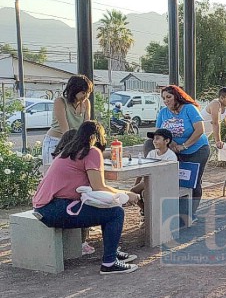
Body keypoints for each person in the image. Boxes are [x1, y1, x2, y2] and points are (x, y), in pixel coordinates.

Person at [33, 121, 140, 274]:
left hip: (45, 208)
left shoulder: (67, 152)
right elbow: (99, 187)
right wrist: (126, 194)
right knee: (116, 213)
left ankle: (113, 252)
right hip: (57, 208)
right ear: (96, 137)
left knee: (107, 208)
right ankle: (109, 263)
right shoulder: (91, 152)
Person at [157, 85, 209, 218]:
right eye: (163, 98)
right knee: (178, 181)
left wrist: (184, 146)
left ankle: (189, 214)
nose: (166, 100)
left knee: (192, 181)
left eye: (169, 97)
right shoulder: (163, 112)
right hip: (175, 150)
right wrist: (171, 141)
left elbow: (200, 130)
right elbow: (158, 132)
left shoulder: (189, 109)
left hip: (197, 149)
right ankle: (178, 212)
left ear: (177, 96)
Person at [42, 75, 93, 166]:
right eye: (83, 92)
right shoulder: (60, 101)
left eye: (88, 92)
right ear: (74, 90)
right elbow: (66, 131)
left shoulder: (86, 103)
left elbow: (86, 127)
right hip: (56, 141)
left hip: (75, 142)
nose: (86, 96)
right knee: (51, 173)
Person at [131, 129, 177, 214]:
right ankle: (146, 211)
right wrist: (136, 184)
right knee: (132, 191)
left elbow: (168, 177)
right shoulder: (152, 153)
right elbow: (144, 169)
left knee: (146, 193)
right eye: (154, 139)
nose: (154, 141)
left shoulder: (171, 156)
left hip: (164, 183)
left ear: (166, 141)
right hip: (151, 181)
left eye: (157, 139)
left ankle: (149, 214)